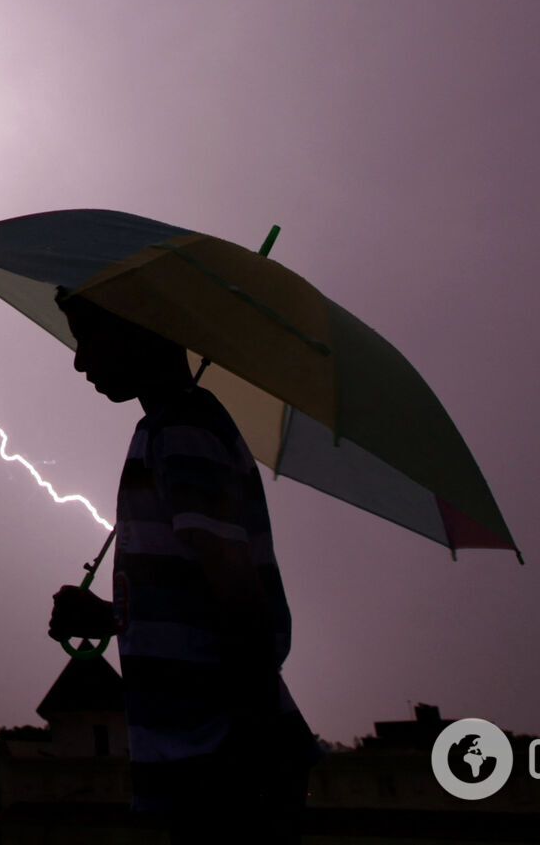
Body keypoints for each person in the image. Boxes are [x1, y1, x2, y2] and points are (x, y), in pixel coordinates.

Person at [48, 287, 320, 844]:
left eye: (89, 337)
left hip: (221, 765)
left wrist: (252, 750)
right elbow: (189, 593)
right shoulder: (162, 432)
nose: (78, 360)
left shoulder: (185, 433)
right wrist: (108, 616)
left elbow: (236, 594)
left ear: (143, 328)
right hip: (197, 763)